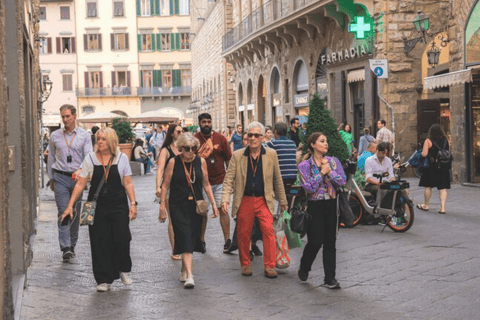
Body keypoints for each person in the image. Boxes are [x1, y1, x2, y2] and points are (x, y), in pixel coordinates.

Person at [61, 127, 137, 292]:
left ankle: (122, 268)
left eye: (103, 139)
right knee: (99, 241)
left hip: (118, 204)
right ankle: (103, 279)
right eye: (98, 139)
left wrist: (133, 203)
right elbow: (81, 183)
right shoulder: (90, 158)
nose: (100, 142)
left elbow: (128, 182)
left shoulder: (122, 158)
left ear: (111, 141)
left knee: (122, 238)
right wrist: (70, 206)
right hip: (95, 205)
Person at [221, 122, 288, 278]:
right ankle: (245, 264)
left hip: (264, 199)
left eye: (256, 135)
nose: (252, 138)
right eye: (249, 135)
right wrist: (225, 199)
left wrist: (283, 201)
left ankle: (270, 266)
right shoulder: (238, 156)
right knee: (243, 233)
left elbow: (277, 179)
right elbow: (228, 179)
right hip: (244, 199)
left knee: (268, 231)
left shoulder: (271, 154)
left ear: (263, 137)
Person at [159, 133, 219, 289]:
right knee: (184, 235)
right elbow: (165, 186)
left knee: (191, 237)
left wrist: (213, 203)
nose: (190, 152)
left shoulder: (201, 162)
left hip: (196, 206)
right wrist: (161, 207)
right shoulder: (173, 162)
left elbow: (206, 184)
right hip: (177, 205)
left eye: (193, 148)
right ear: (180, 148)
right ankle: (190, 276)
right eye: (186, 149)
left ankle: (184, 269)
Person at [297, 132, 346, 288]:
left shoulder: (333, 161)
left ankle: (330, 278)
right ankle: (305, 266)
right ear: (313, 145)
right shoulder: (304, 165)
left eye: (326, 141)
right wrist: (321, 173)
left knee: (330, 242)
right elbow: (309, 187)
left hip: (331, 204)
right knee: (315, 241)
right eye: (322, 141)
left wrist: (330, 172)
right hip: (315, 206)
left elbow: (342, 181)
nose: (326, 143)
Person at [47, 104, 93, 262]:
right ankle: (65, 247)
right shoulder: (55, 136)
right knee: (63, 210)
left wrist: (82, 171)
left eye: (68, 116)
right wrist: (51, 178)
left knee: (75, 210)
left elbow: (88, 156)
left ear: (74, 116)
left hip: (77, 178)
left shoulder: (84, 135)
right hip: (60, 177)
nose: (65, 120)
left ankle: (72, 243)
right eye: (63, 117)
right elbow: (51, 157)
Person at [195, 113, 233, 253]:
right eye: (204, 122)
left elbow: (229, 159)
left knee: (223, 209)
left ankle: (227, 240)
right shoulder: (195, 139)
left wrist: (230, 179)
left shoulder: (220, 138)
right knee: (203, 211)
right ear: (199, 123)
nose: (206, 124)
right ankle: (202, 240)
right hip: (202, 183)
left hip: (220, 181)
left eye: (209, 121)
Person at [155, 124, 184, 260]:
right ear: (172, 134)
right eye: (178, 131)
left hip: (184, 188)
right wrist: (158, 187)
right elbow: (160, 169)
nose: (181, 133)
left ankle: (185, 245)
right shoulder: (165, 151)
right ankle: (175, 250)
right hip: (169, 188)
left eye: (182, 131)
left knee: (184, 218)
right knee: (173, 219)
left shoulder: (185, 148)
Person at [417, 124, 450, 214]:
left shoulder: (428, 140)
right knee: (442, 187)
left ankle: (426, 205)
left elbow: (424, 154)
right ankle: (442, 208)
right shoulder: (445, 140)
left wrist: (420, 154)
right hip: (443, 166)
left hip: (431, 166)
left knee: (428, 186)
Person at [267, 122, 298, 186]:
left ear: (275, 131)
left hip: (280, 177)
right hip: (293, 177)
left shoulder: (272, 143)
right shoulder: (292, 143)